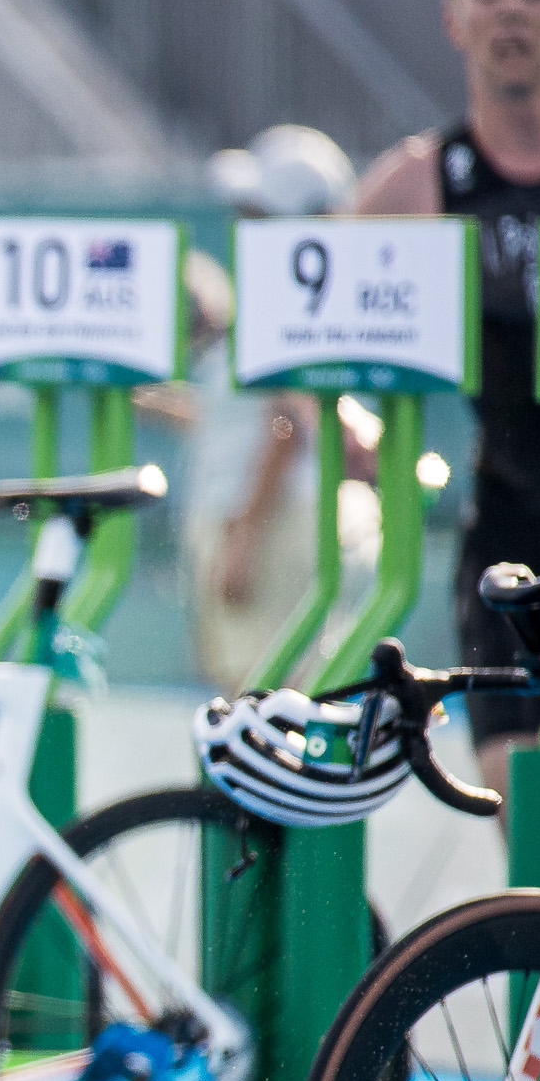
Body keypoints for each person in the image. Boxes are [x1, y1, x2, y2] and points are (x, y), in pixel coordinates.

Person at [344, 0, 540, 800]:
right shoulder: (421, 182)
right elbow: (300, 329)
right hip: (517, 529)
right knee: (528, 805)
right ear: (455, 22)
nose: (512, 11)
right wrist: (359, 437)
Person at [184, 127, 380, 691]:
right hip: (266, 520)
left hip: (271, 528)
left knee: (267, 711)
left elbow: (287, 427)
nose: (246, 227)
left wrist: (244, 538)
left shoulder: (285, 313)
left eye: (259, 213)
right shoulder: (278, 309)